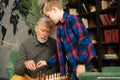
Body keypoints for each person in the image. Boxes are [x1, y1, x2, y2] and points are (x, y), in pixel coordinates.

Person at [37, 0, 97, 80]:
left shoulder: (72, 19)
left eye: (48, 16)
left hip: (84, 65)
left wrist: (81, 63)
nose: (49, 20)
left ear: (54, 9)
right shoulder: (58, 27)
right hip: (73, 67)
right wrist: (47, 62)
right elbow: (61, 52)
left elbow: (84, 40)